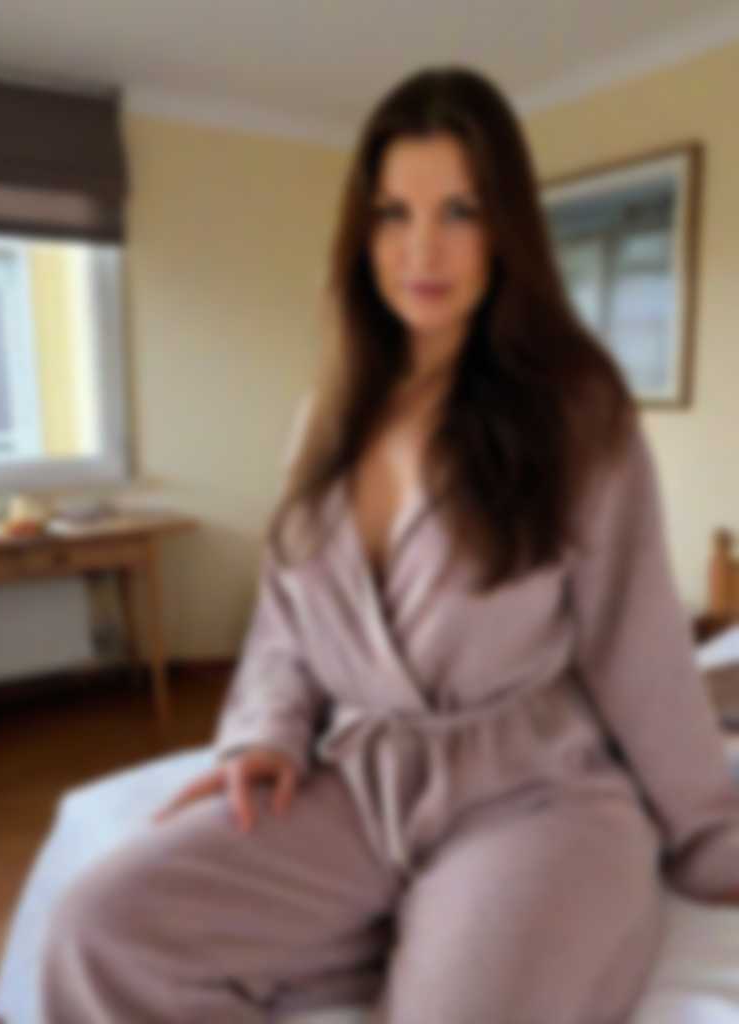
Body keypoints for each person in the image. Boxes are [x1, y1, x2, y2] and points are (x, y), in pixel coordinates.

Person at [41, 65, 739, 1024]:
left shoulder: (579, 416)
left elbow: (641, 646)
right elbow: (286, 622)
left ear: (506, 229)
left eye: (460, 210)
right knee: (101, 931)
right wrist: (266, 734)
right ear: (360, 232)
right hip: (361, 787)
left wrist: (709, 833)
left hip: (538, 796)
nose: (422, 248)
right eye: (392, 213)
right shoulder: (325, 420)